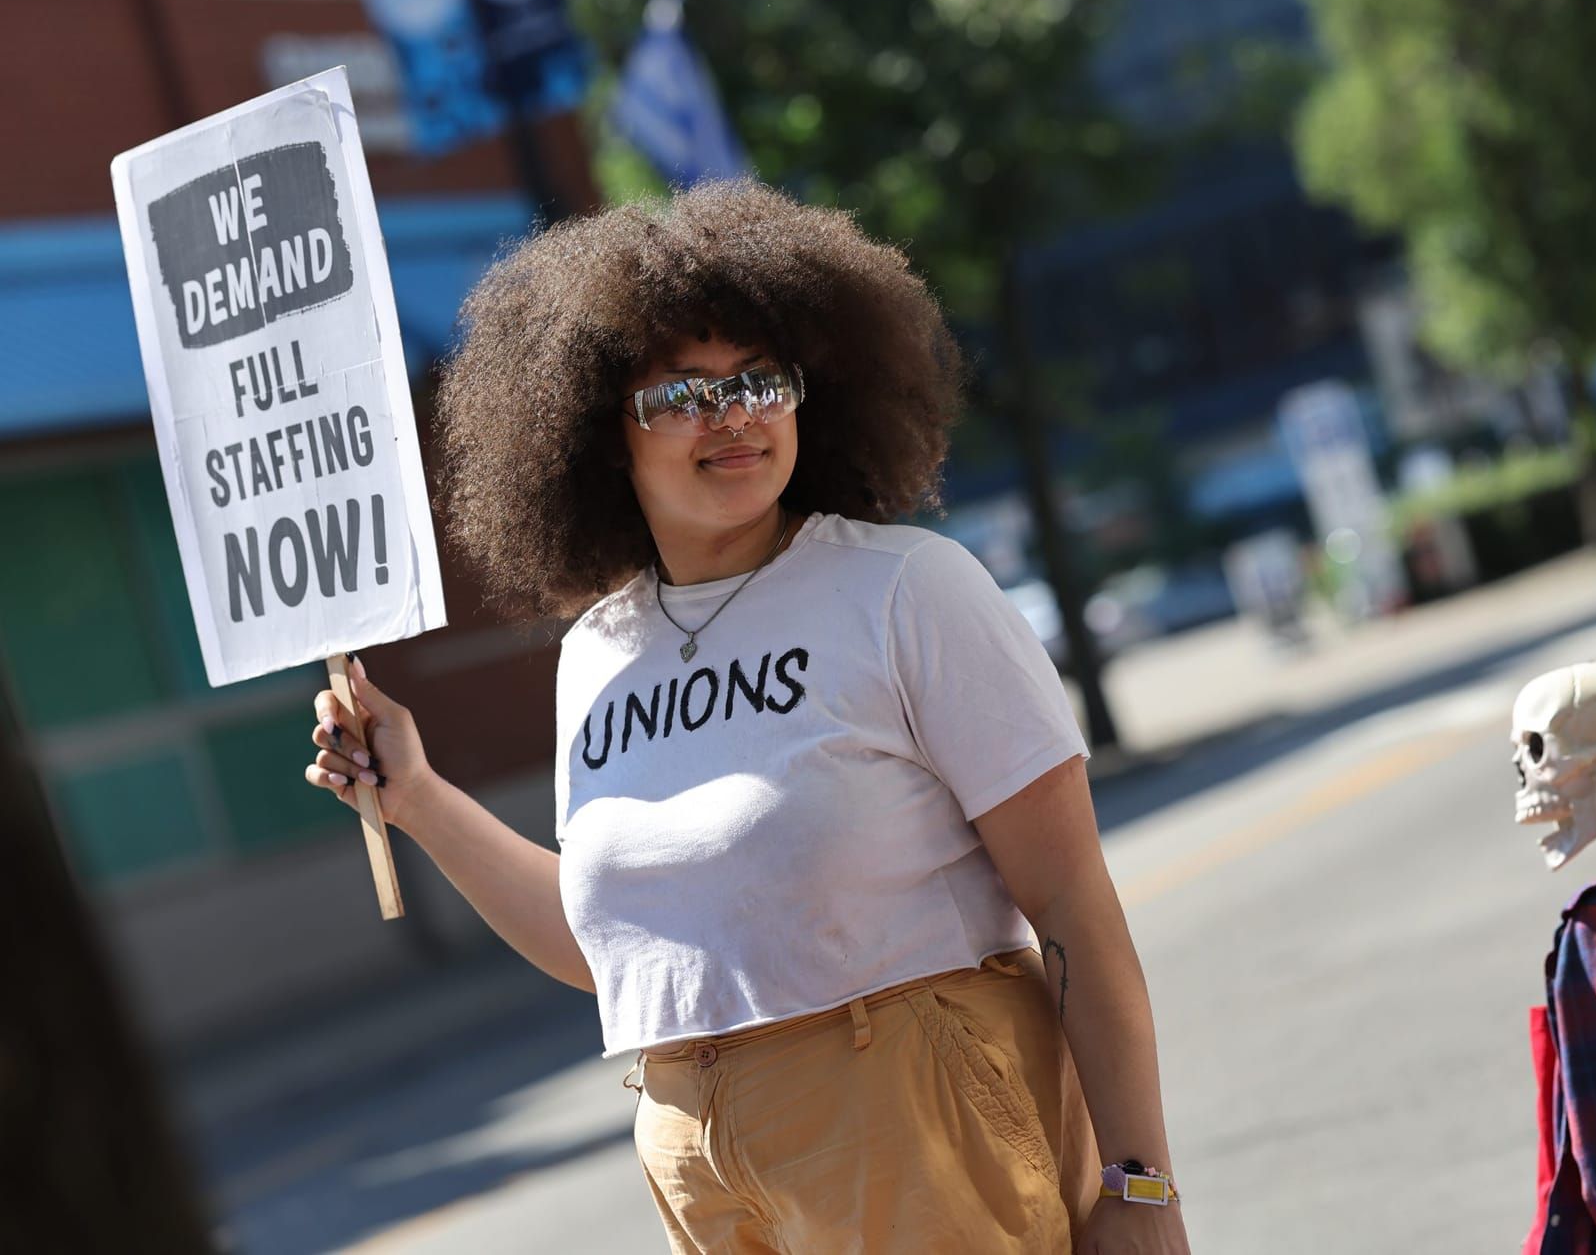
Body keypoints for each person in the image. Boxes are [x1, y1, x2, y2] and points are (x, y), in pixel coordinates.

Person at [304, 181, 1189, 1254]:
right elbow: (622, 956)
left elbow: (1074, 909)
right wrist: (421, 800)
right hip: (697, 1148)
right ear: (595, 432)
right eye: (680, 393)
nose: (732, 415)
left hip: (912, 1113)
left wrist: (1139, 1190)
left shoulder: (907, 588)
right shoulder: (597, 651)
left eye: (759, 380)